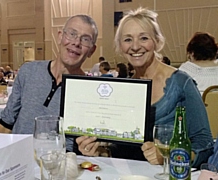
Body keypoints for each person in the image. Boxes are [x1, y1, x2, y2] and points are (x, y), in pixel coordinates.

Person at [76, 7, 213, 168]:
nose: (135, 47)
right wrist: (100, 151)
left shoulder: (181, 83)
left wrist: (168, 154)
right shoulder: (123, 89)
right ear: (120, 46)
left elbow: (205, 145)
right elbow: (123, 148)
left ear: (157, 41)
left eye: (143, 38)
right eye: (127, 39)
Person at [0, 14, 98, 152]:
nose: (76, 43)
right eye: (72, 34)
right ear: (60, 36)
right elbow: (5, 125)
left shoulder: (89, 91)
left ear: (92, 50)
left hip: (58, 168)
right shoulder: (28, 72)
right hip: (18, 164)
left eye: (85, 39)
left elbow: (85, 147)